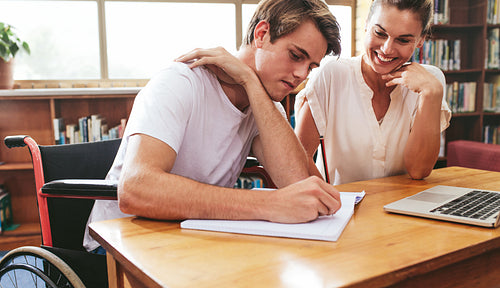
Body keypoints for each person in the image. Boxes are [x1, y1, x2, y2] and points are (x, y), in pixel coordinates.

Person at [83, 0, 343, 252]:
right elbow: (136, 190)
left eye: (311, 66)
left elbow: (301, 186)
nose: (301, 75)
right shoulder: (180, 82)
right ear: (261, 34)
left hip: (191, 241)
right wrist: (269, 203)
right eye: (296, 55)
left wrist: (249, 81)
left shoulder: (264, 105)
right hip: (121, 245)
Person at [294, 0, 452, 185]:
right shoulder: (331, 75)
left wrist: (431, 94)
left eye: (403, 40)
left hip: (401, 206)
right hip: (341, 208)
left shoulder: (430, 81)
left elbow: (419, 171)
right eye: (380, 33)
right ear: (366, 24)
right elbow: (297, 161)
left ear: (421, 40)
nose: (387, 49)